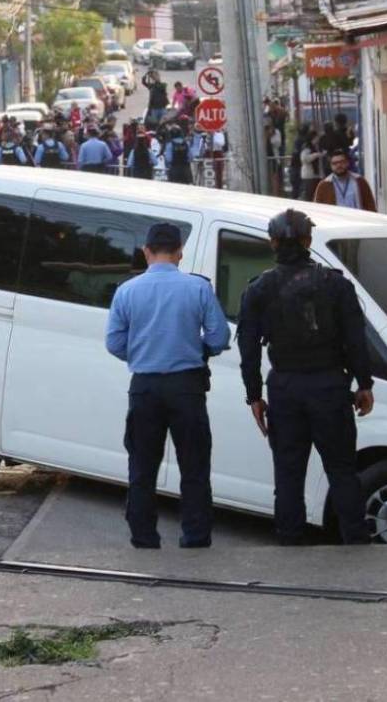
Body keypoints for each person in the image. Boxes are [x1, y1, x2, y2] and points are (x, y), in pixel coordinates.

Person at [237, 208, 374, 545]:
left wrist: (254, 396)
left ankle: (290, 543)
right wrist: (364, 384)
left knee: (288, 473)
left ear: (272, 243)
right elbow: (356, 339)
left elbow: (248, 349)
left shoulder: (259, 289)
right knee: (342, 470)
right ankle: (356, 542)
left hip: (285, 389)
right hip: (330, 386)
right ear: (308, 241)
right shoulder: (336, 285)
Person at [105, 222, 230, 548]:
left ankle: (143, 536)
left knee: (142, 467)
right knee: (194, 466)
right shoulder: (198, 288)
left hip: (144, 387)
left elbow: (113, 343)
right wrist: (196, 349)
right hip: (187, 387)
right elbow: (219, 337)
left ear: (146, 251)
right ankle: (196, 537)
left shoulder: (127, 291)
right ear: (179, 253)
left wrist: (142, 352)